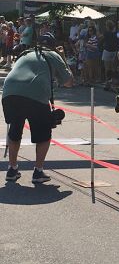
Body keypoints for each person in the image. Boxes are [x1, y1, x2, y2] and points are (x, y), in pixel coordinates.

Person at [2, 32, 73, 183]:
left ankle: (12, 169)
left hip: (9, 92)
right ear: (53, 46)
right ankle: (38, 171)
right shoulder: (54, 55)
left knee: (15, 130)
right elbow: (69, 81)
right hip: (36, 94)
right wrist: (63, 57)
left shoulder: (25, 53)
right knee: (43, 134)